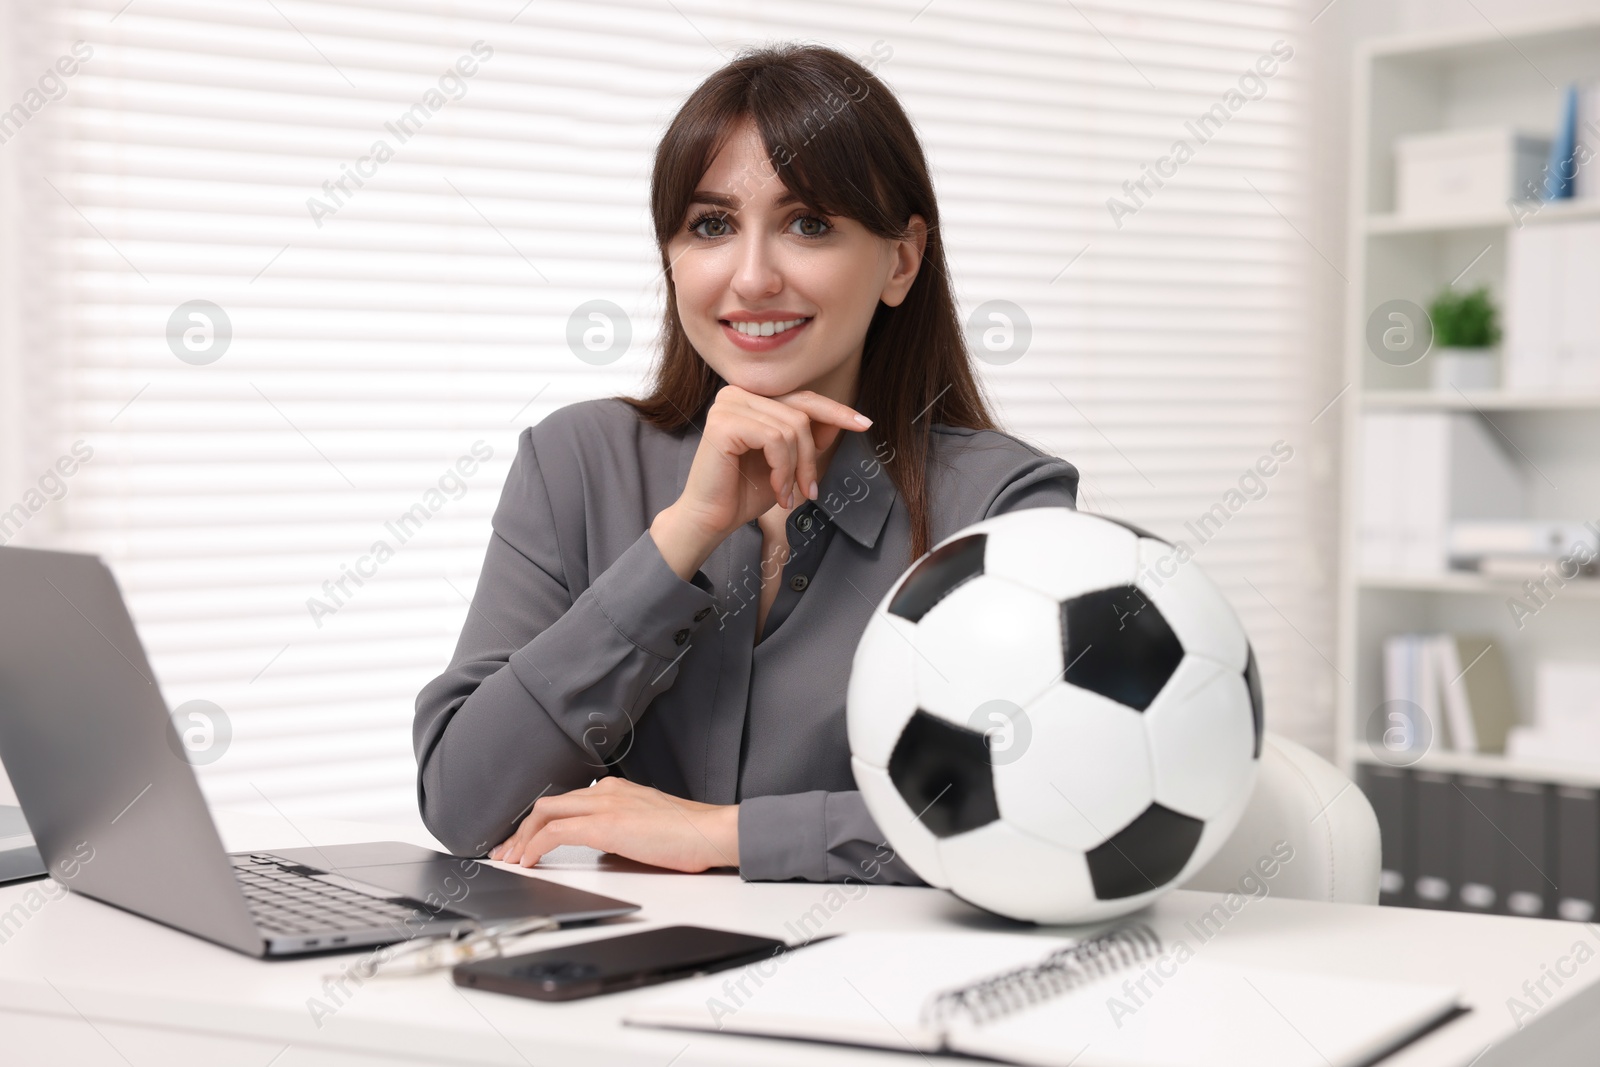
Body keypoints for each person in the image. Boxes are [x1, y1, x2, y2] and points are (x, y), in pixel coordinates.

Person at [413, 42, 1079, 885]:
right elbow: (462, 803)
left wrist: (726, 834)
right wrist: (681, 536)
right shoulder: (574, 462)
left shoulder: (1004, 503)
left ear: (901, 260)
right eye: (712, 225)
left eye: (809, 224)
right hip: (612, 996)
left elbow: (1049, 803)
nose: (753, 276)